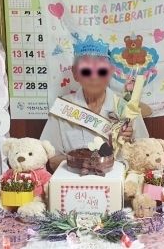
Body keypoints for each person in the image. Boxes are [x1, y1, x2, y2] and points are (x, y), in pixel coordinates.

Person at [41, 35, 149, 171]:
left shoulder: (127, 108)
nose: (94, 77)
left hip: (118, 181)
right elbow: (50, 159)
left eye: (101, 71)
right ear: (75, 73)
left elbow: (146, 153)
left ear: (110, 72)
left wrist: (129, 142)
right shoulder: (62, 108)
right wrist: (87, 163)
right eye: (86, 71)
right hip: (74, 181)